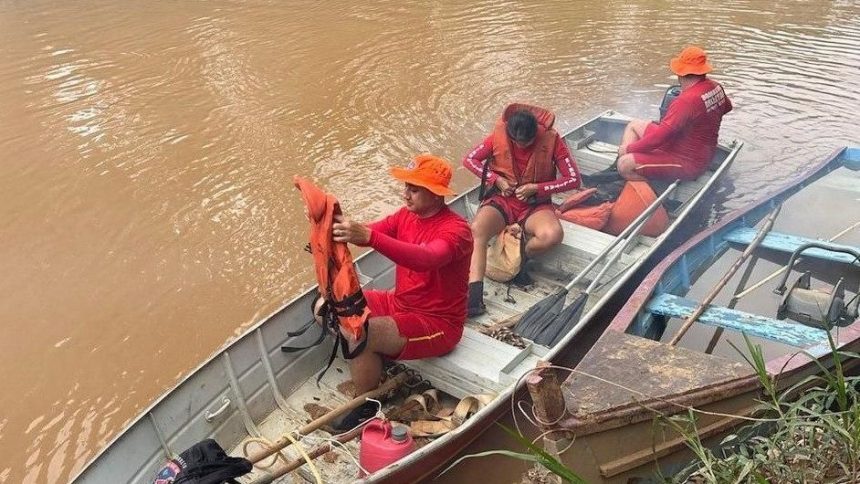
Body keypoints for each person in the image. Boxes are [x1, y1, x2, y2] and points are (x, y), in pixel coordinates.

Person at [323, 154, 473, 430]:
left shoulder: (457, 232)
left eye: (414, 189)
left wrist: (370, 238)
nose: (406, 195)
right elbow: (371, 231)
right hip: (400, 303)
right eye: (406, 187)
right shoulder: (406, 215)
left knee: (363, 332)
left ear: (437, 195)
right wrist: (337, 231)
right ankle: (373, 360)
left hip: (438, 323)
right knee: (328, 306)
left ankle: (366, 404)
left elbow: (425, 258)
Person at [462, 103, 581, 317]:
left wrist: (538, 188)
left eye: (527, 142)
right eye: (517, 142)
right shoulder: (497, 135)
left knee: (552, 235)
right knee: (477, 229)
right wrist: (495, 180)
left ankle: (519, 257)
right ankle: (474, 298)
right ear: (510, 134)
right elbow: (469, 160)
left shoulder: (553, 140)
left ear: (536, 133)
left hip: (535, 205)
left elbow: (573, 179)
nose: (522, 146)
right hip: (502, 200)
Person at [617, 46, 733, 182]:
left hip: (689, 163)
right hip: (693, 149)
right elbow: (727, 107)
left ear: (681, 73)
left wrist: (629, 149)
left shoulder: (686, 101)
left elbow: (659, 139)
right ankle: (640, 165)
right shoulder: (715, 86)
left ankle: (648, 187)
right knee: (634, 125)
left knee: (624, 165)